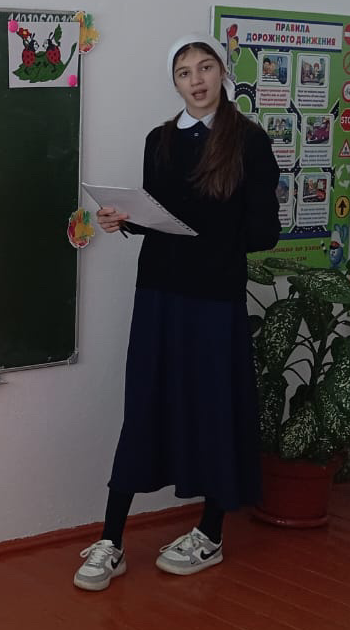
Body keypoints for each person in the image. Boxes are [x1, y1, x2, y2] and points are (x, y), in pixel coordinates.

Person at [74, 34, 280, 592]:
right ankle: (111, 540)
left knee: (213, 404)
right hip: (159, 292)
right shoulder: (159, 140)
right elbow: (157, 214)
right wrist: (125, 220)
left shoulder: (250, 141)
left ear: (222, 73)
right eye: (184, 72)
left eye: (205, 67)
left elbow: (264, 232)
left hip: (214, 296)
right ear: (175, 82)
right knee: (145, 402)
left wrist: (209, 232)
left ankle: (210, 532)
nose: (196, 80)